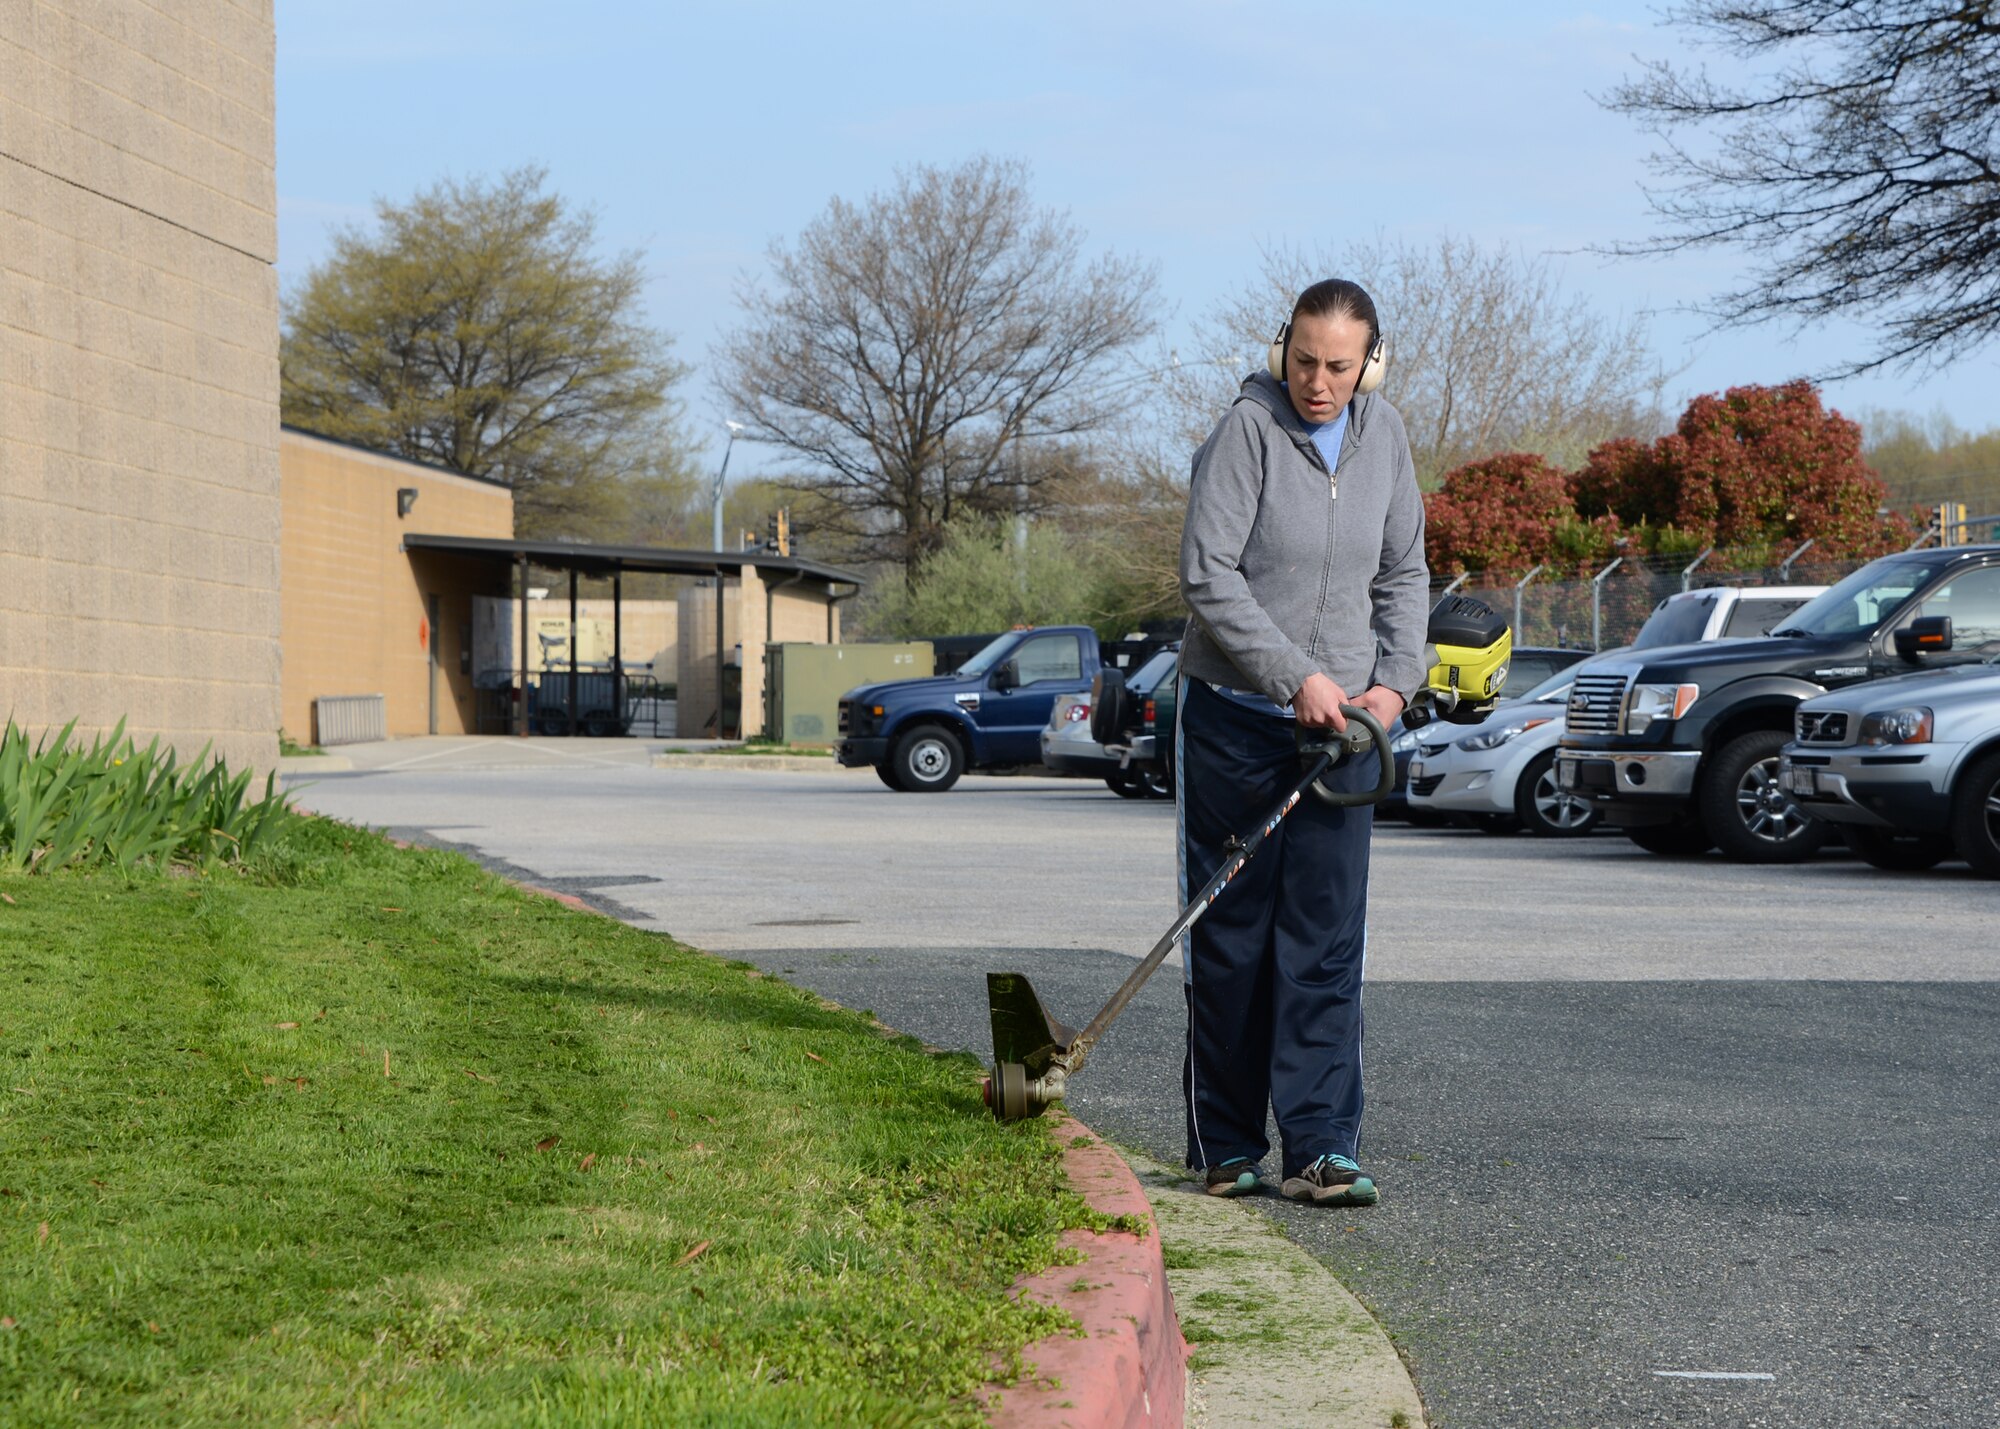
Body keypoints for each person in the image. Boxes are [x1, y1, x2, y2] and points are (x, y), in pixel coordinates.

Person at [1176, 278, 1429, 1205]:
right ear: (1282, 346)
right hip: (1239, 721)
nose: (1317, 382)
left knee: (1324, 943)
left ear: (1371, 362)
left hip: (1347, 732)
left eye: (1338, 365)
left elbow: (1404, 572)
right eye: (1304, 360)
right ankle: (1230, 1145)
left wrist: (1392, 683)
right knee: (1235, 937)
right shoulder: (1244, 434)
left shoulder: (1387, 438)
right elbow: (1208, 575)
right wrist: (1297, 678)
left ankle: (1321, 1146)